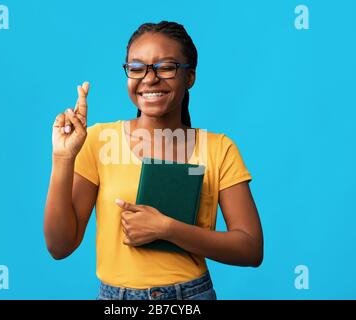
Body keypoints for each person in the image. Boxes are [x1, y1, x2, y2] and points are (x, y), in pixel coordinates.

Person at [44, 21, 263, 300]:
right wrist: (63, 158)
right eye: (137, 68)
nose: (149, 78)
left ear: (190, 76)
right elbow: (59, 246)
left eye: (166, 67)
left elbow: (250, 248)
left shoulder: (219, 148)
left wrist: (168, 229)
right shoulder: (99, 140)